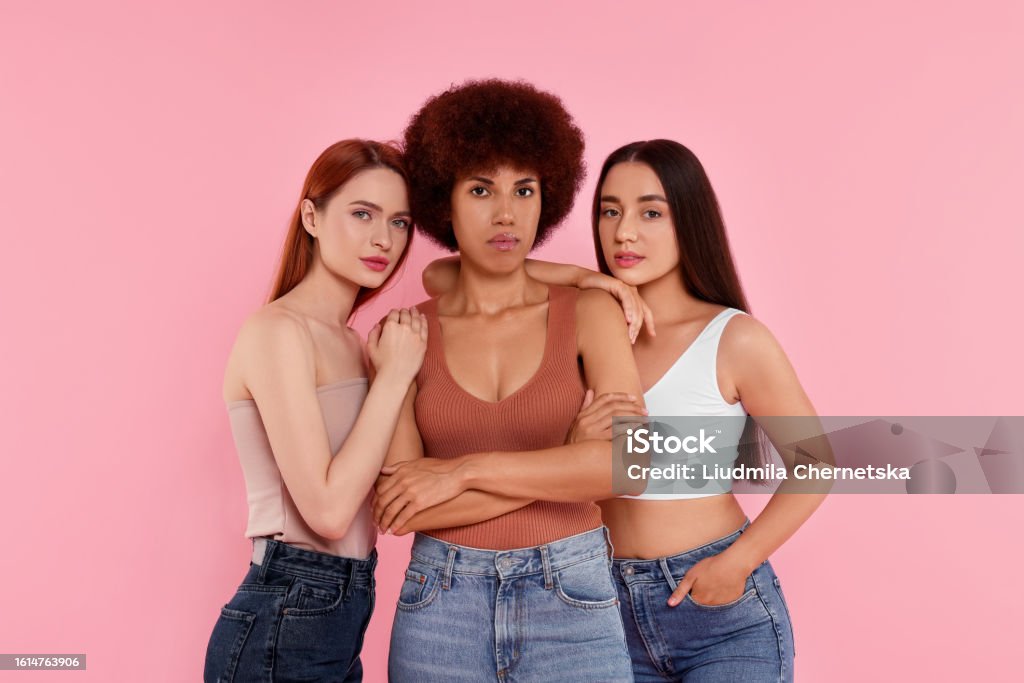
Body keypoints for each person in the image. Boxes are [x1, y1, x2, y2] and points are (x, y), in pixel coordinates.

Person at [419, 139, 825, 682]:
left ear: (689, 220)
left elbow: (816, 463)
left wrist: (736, 564)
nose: (623, 233)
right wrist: (586, 278)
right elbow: (441, 274)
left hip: (718, 609)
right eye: (610, 211)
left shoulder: (733, 337)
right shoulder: (581, 322)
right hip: (594, 597)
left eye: (650, 213)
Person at [376, 80, 639, 682]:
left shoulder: (591, 313)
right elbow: (402, 506)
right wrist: (568, 461)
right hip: (441, 605)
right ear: (445, 202)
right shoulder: (407, 334)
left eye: (524, 189)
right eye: (481, 190)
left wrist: (462, 472)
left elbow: (632, 467)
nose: (506, 213)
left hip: (572, 596)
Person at [204, 139, 427, 683]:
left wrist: (588, 280)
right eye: (362, 214)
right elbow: (327, 513)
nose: (384, 239)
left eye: (399, 222)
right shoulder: (278, 332)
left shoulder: (357, 344)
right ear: (311, 217)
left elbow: (394, 495)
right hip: (287, 605)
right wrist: (393, 378)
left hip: (343, 608)